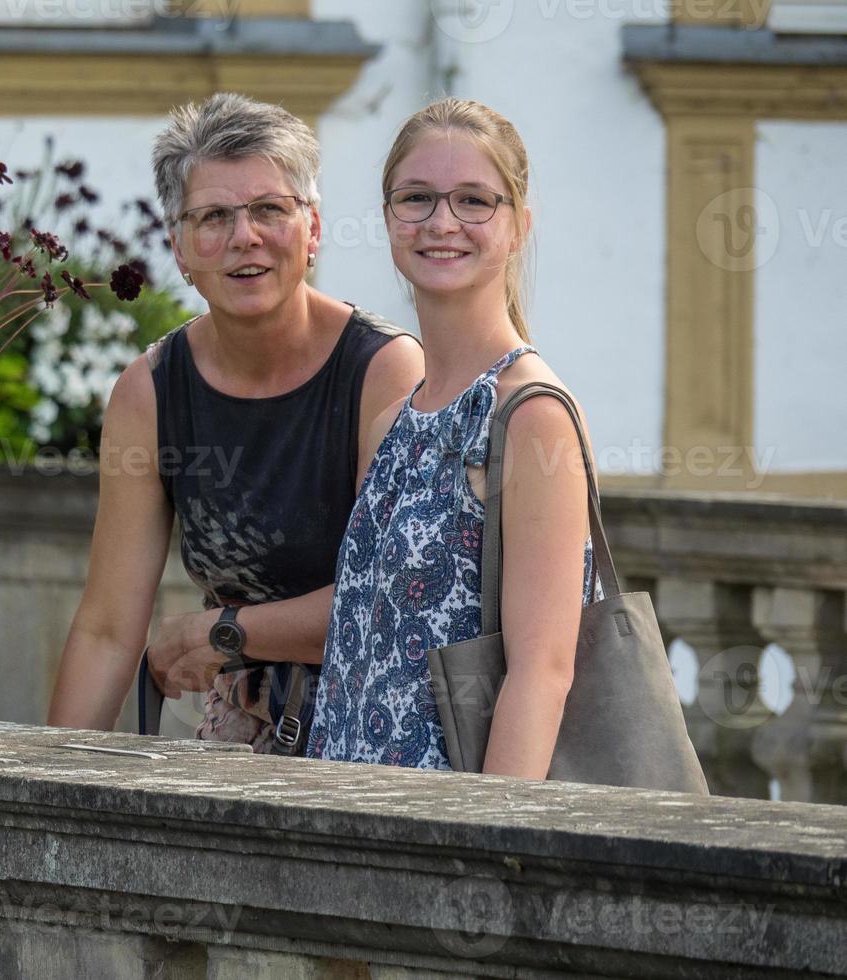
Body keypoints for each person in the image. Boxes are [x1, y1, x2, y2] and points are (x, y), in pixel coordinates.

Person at [47, 92, 424, 750]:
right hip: (242, 737)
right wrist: (39, 792)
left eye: (268, 210)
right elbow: (108, 627)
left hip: (380, 737)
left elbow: (389, 606)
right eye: (213, 216)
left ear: (311, 230)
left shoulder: (383, 372)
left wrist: (215, 630)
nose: (244, 236)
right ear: (180, 248)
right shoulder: (151, 392)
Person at [307, 98, 598, 777]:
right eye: (416, 198)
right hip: (340, 818)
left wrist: (480, 860)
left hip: (439, 840)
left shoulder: (530, 415)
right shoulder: (391, 420)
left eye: (474, 200)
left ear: (518, 226)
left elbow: (543, 672)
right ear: (387, 219)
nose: (441, 222)